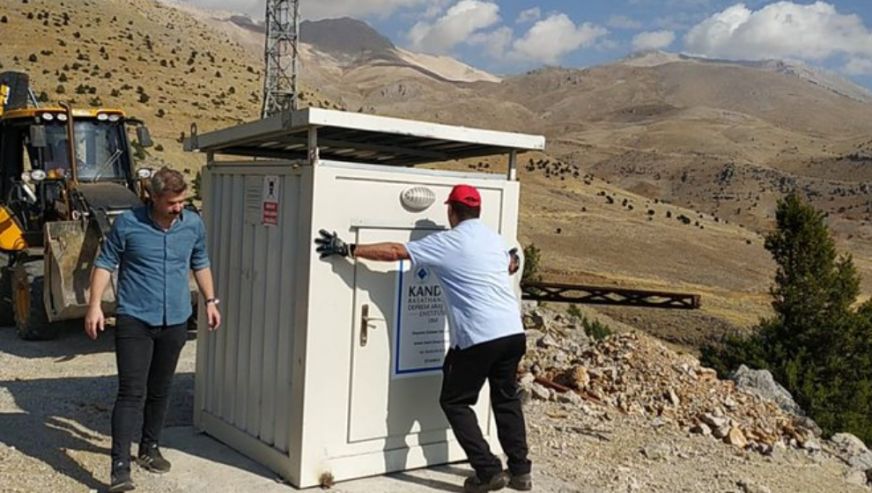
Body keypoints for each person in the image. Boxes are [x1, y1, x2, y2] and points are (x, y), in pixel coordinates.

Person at [315, 184, 532, 493]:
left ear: (451, 211)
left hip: (479, 337)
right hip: (512, 333)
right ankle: (521, 472)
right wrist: (512, 260)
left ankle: (488, 470)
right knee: (506, 398)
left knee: (455, 401)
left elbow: (394, 252)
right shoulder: (496, 240)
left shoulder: (448, 242)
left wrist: (348, 248)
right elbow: (511, 264)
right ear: (478, 211)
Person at [85, 167, 222, 493]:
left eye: (183, 201)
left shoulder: (192, 224)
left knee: (160, 390)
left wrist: (211, 301)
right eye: (173, 202)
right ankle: (120, 466)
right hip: (135, 319)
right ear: (153, 197)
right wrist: (94, 306)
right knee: (132, 392)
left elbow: (200, 261)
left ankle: (149, 448)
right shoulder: (129, 224)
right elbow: (105, 263)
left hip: (175, 320)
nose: (179, 208)